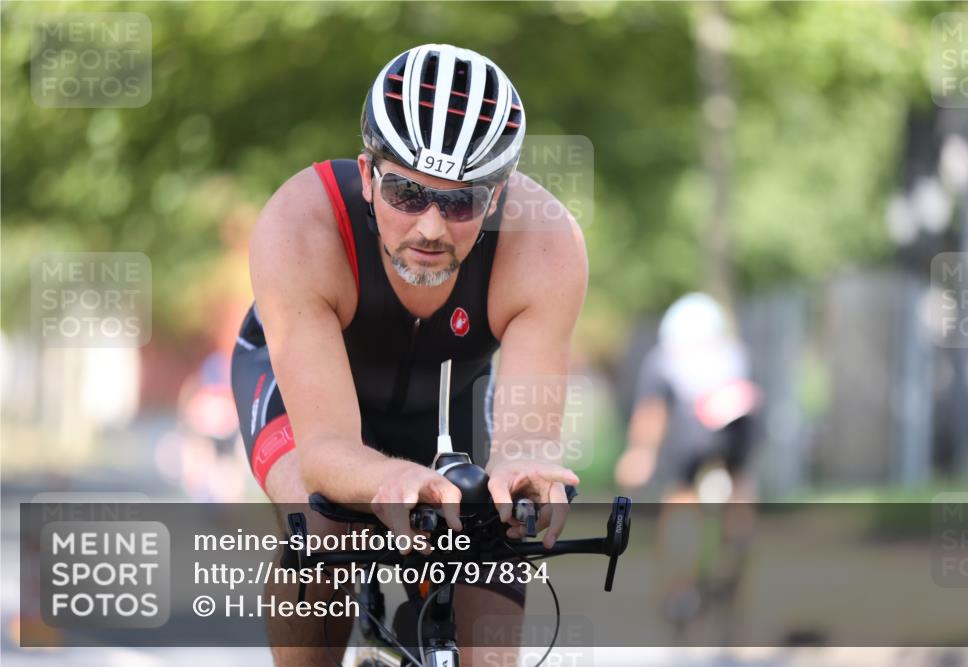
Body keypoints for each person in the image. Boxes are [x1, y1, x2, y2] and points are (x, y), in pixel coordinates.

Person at [230, 44, 585, 666]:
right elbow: (326, 455)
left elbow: (527, 443)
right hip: (303, 394)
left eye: (461, 202)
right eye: (404, 192)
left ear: (497, 198)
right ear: (368, 176)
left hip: (446, 396)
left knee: (494, 532)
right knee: (322, 527)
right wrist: (384, 479)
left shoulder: (546, 244)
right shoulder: (299, 224)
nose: (430, 228)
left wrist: (527, 480)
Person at [614, 292, 760, 629]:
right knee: (740, 483)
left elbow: (652, 412)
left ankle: (680, 586)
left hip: (692, 424)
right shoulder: (734, 352)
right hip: (738, 417)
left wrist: (640, 453)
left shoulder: (665, 357)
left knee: (681, 497)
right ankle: (737, 542)